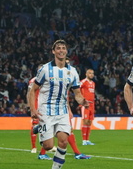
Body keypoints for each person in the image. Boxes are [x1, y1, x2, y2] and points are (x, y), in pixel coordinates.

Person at [29, 39, 89, 169]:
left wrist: (82, 101)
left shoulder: (72, 71)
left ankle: (55, 168)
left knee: (63, 142)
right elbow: (32, 90)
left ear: (66, 51)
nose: (61, 50)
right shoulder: (45, 69)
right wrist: (33, 109)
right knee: (48, 146)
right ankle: (40, 127)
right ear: (53, 51)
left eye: (63, 48)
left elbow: (77, 93)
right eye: (58, 48)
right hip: (46, 111)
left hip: (62, 111)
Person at [27, 64, 53, 160]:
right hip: (36, 105)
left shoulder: (48, 80)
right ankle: (34, 147)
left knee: (47, 126)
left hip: (45, 106)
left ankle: (45, 148)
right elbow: (29, 93)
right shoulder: (33, 81)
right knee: (35, 125)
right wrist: (30, 106)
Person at [80, 69, 96, 146]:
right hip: (85, 104)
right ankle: (84, 140)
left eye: (92, 73)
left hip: (92, 104)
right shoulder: (83, 82)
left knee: (89, 122)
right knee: (85, 121)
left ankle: (87, 139)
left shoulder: (93, 83)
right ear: (86, 74)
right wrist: (81, 100)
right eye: (90, 73)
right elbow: (77, 89)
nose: (91, 75)